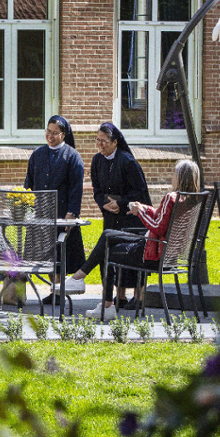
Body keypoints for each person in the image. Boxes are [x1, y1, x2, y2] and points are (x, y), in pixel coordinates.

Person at [62, 159, 201, 320]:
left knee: (106, 249)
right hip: (171, 256)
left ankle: (100, 299)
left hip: (153, 255)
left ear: (180, 177)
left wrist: (139, 212)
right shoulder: (192, 200)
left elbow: (158, 227)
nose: (172, 177)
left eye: (174, 174)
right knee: (108, 235)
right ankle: (80, 278)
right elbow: (162, 219)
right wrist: (144, 208)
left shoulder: (172, 198)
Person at [89, 122, 152, 308]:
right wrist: (105, 204)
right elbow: (97, 190)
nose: (100, 145)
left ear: (115, 142)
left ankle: (139, 297)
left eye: (104, 141)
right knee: (111, 255)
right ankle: (119, 296)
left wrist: (121, 203)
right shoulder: (96, 161)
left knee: (131, 254)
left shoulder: (127, 162)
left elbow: (140, 192)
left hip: (131, 217)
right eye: (98, 141)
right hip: (111, 215)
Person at [25, 115, 85, 304]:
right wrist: (26, 204)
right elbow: (29, 184)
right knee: (45, 254)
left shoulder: (72, 156)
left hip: (62, 214)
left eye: (54, 133)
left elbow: (77, 188)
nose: (50, 136)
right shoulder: (37, 155)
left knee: (60, 254)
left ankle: (59, 293)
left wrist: (71, 213)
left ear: (63, 134)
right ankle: (54, 291)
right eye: (48, 132)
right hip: (41, 214)